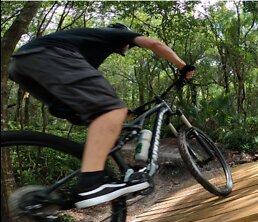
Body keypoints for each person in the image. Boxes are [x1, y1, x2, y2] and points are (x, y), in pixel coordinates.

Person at [8, 23, 195, 208]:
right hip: (48, 56)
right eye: (128, 44)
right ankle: (91, 182)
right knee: (112, 110)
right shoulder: (115, 34)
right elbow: (155, 44)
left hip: (21, 67)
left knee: (106, 116)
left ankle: (117, 174)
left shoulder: (89, 51)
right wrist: (183, 66)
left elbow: (89, 91)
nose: (128, 47)